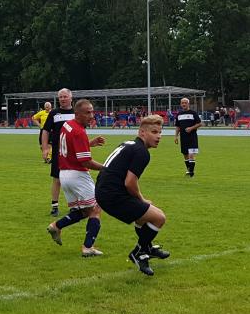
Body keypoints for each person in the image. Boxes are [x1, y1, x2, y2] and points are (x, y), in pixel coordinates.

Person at [95, 115, 170, 276]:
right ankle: (139, 252)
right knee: (159, 218)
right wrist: (141, 199)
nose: (159, 136)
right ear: (142, 133)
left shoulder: (129, 144)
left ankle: (147, 247)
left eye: (160, 132)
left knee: (142, 217)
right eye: (154, 132)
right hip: (112, 195)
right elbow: (130, 182)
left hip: (104, 192)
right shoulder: (142, 152)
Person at [46, 99, 106, 257]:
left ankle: (56, 226)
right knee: (96, 209)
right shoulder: (79, 131)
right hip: (77, 174)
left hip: (64, 174)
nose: (91, 115)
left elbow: (70, 145)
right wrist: (106, 169)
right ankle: (88, 247)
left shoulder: (68, 125)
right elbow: (86, 161)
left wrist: (89, 143)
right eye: (88, 112)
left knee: (84, 211)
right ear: (77, 113)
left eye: (92, 112)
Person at [41, 88, 75, 217]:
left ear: (71, 98)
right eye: (60, 97)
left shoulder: (76, 113)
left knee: (72, 178)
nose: (63, 99)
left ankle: (73, 205)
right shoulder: (54, 113)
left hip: (73, 152)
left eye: (65, 96)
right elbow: (45, 131)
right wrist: (45, 148)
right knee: (57, 179)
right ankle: (54, 206)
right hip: (58, 152)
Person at [174, 98, 202, 177]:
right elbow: (178, 127)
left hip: (192, 137)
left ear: (188, 104)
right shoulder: (179, 114)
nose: (184, 104)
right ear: (180, 104)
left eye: (185, 103)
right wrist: (176, 136)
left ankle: (191, 173)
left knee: (191, 155)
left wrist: (191, 128)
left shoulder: (193, 113)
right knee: (185, 155)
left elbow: (200, 124)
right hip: (183, 138)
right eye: (182, 103)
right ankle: (189, 170)